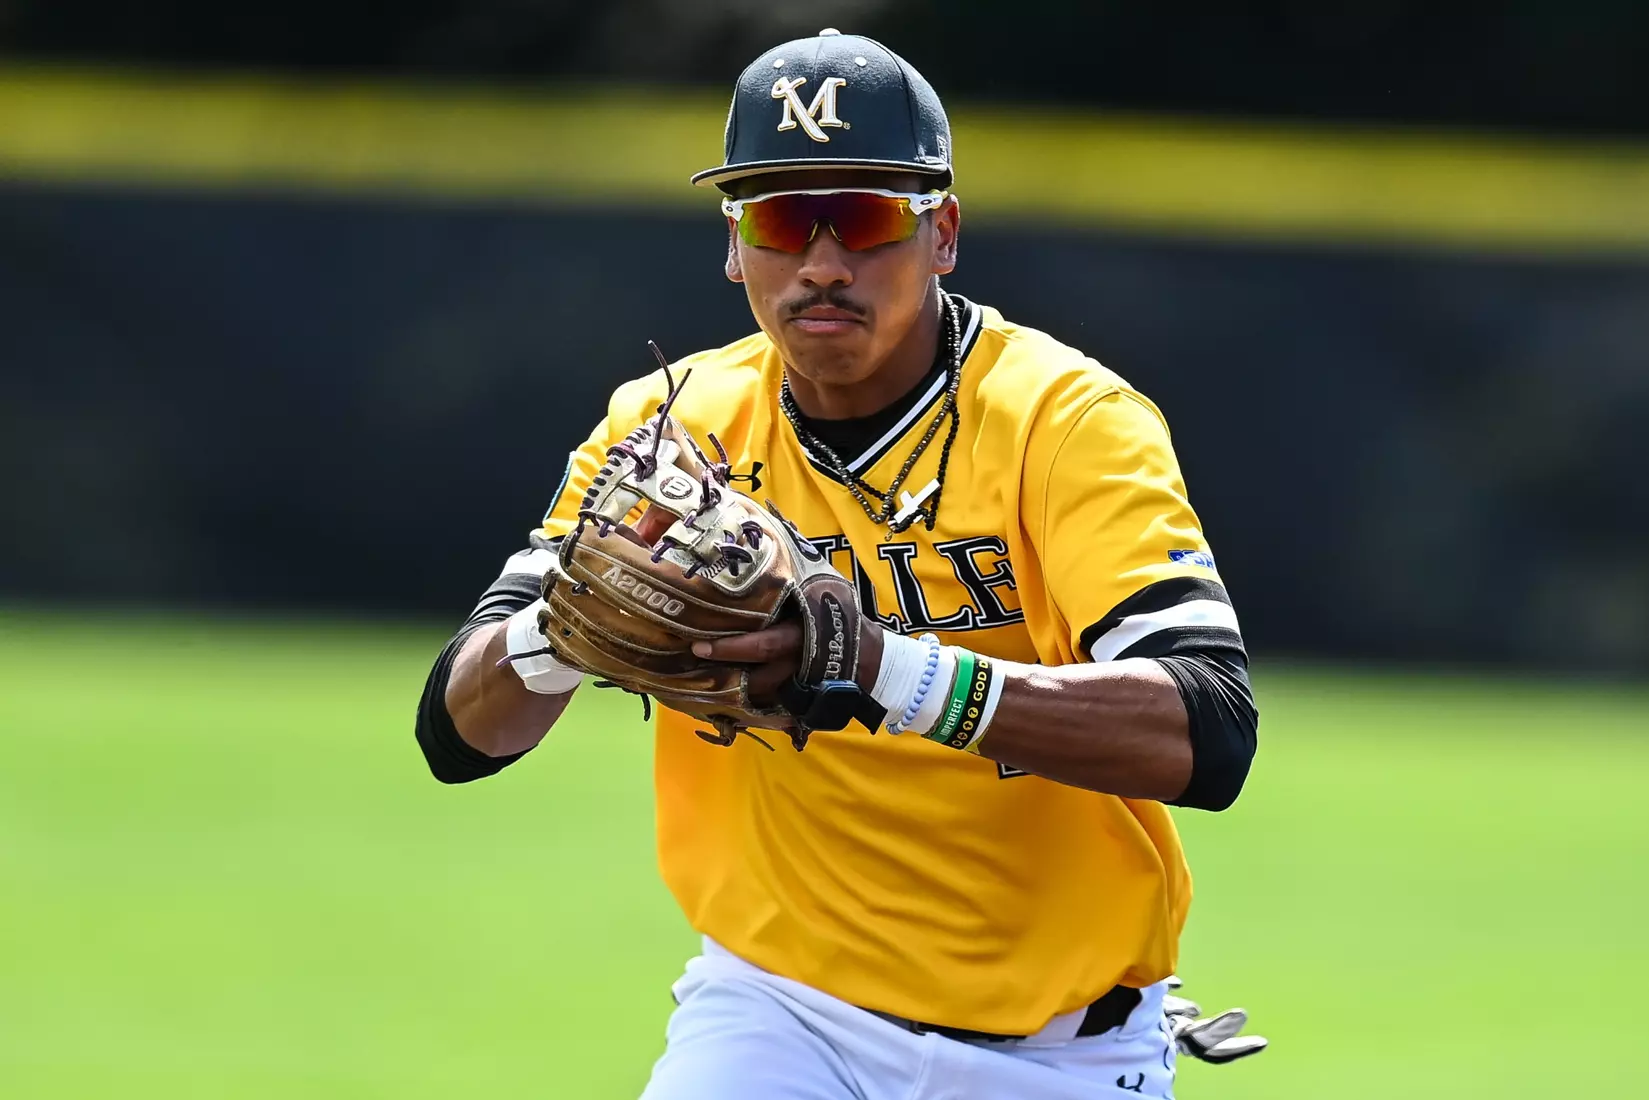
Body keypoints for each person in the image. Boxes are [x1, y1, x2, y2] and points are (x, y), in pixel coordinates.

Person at [416, 28, 1260, 1100]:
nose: (819, 263)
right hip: (777, 1014)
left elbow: (1207, 727)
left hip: (1063, 1047)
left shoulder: (1064, 420)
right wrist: (558, 634)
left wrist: (878, 668)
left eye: (860, 218)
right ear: (733, 244)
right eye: (776, 218)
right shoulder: (672, 429)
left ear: (941, 232)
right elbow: (457, 733)